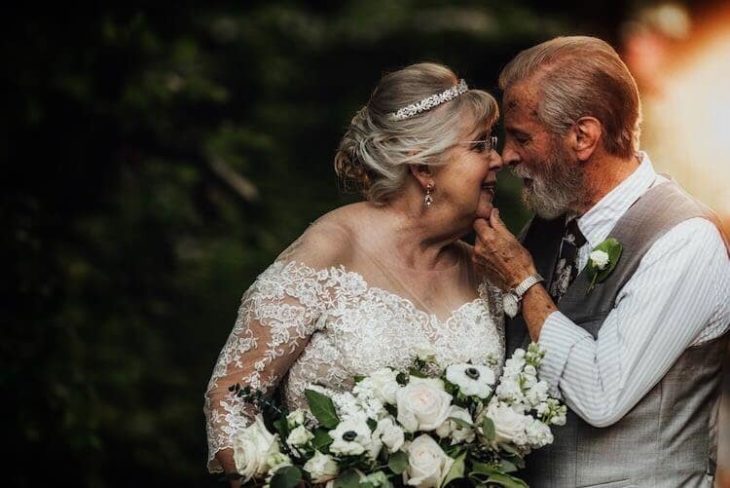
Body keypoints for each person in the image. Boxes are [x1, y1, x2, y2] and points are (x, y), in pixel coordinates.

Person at [204, 62, 505, 485]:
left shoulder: (484, 271)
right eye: (480, 146)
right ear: (424, 169)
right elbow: (231, 399)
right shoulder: (330, 249)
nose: (499, 159)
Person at [472, 36, 730, 487]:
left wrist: (523, 283)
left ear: (582, 137)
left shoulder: (686, 240)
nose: (506, 155)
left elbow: (602, 394)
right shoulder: (550, 227)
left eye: (521, 137)